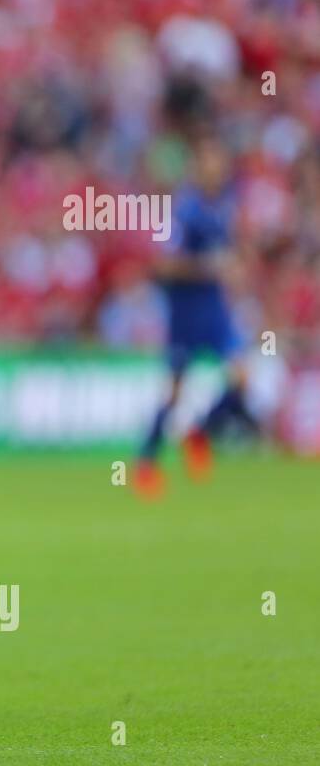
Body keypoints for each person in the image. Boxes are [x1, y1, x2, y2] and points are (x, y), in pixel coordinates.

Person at [135, 135, 257, 499]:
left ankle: (199, 431)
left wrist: (232, 269)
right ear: (198, 167)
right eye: (209, 162)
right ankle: (145, 462)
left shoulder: (222, 206)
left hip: (215, 311)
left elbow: (230, 255)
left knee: (241, 378)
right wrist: (209, 267)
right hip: (185, 314)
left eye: (219, 163)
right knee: (173, 394)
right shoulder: (183, 211)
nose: (215, 170)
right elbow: (163, 264)